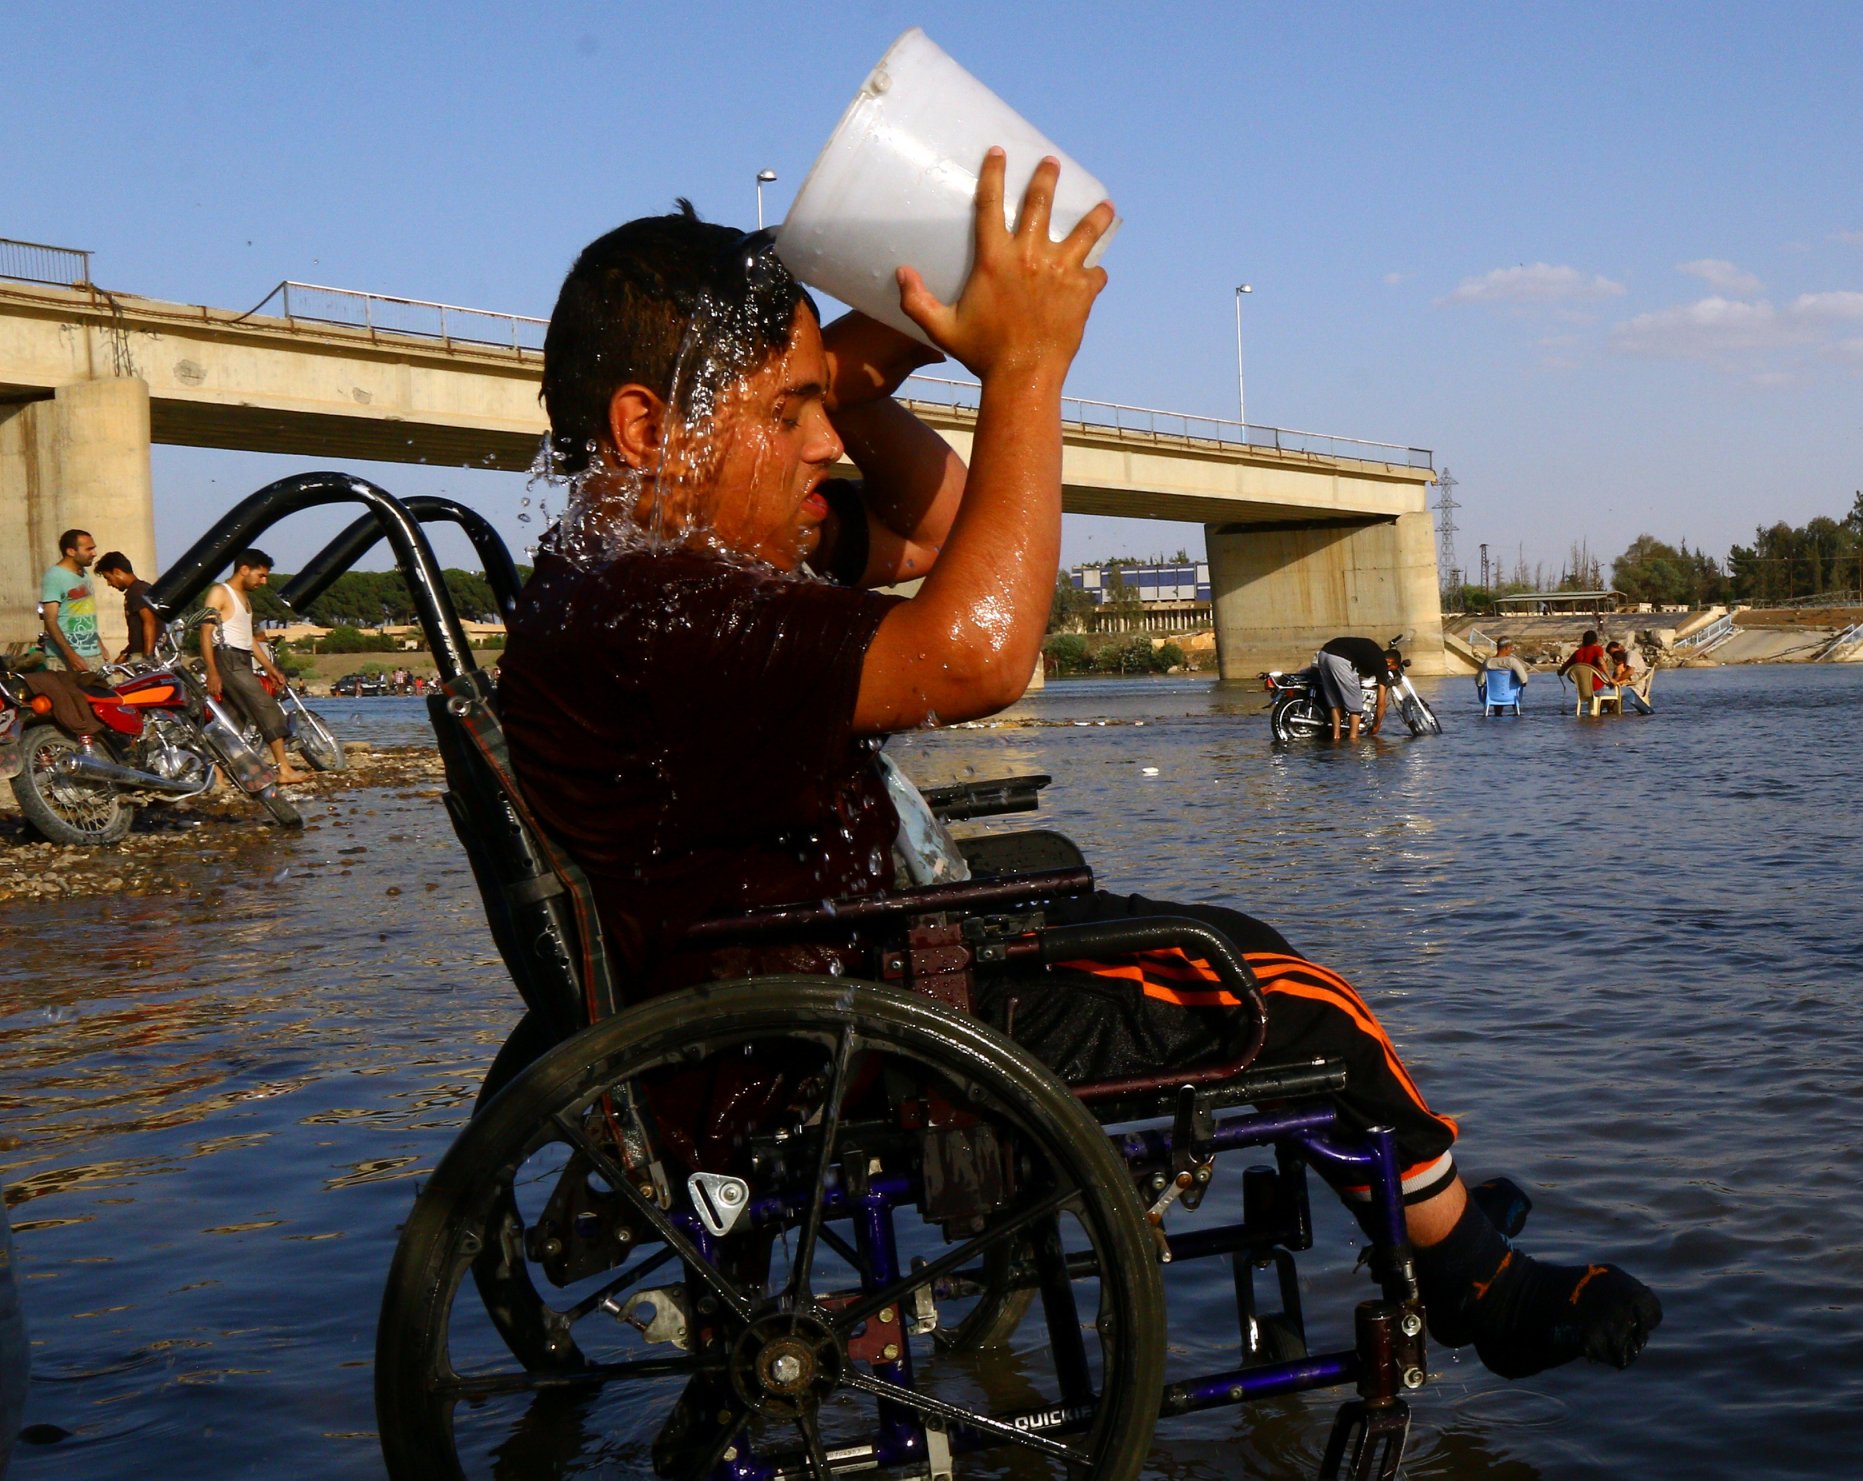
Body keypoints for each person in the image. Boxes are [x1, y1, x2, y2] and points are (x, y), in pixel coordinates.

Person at [498, 161, 1659, 1385]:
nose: (825, 444)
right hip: (851, 1036)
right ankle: (1472, 1273)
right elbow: (982, 648)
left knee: (1220, 942)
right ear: (644, 428)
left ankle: (1417, 1189)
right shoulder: (669, 609)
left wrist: (861, 358)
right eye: (787, 413)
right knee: (1289, 991)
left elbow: (941, 530)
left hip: (826, 981)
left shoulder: (634, 572)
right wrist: (1024, 368)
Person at [198, 549, 308, 785]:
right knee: (265, 706)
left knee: (232, 719)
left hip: (241, 658)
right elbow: (205, 633)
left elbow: (249, 640)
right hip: (227, 659)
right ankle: (284, 769)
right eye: (261, 576)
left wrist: (270, 668)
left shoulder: (244, 598)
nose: (264, 582)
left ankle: (216, 775)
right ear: (244, 569)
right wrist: (212, 671)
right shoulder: (220, 592)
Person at [39, 529, 103, 672]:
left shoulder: (83, 574)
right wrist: (71, 655)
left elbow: (84, 612)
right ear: (71, 551)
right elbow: (50, 620)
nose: (94, 553)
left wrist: (100, 645)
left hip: (93, 654)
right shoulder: (55, 576)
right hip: (66, 659)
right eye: (89, 549)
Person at [1316, 634, 1396, 740]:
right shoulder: (1382, 664)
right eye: (1393, 668)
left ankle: (1336, 737)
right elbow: (1381, 703)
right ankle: (1353, 739)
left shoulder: (1373, 652)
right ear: (1390, 662)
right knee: (1356, 706)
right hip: (1340, 659)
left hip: (1323, 653)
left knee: (1335, 703)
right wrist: (1377, 726)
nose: (1390, 670)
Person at [92, 552, 159, 663]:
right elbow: (139, 630)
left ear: (117, 572)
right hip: (139, 653)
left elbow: (150, 622)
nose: (109, 583)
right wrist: (125, 653)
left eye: (108, 578)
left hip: (143, 655)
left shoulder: (137, 591)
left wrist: (147, 657)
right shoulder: (139, 589)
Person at [1480, 636, 1531, 703]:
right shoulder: (1512, 661)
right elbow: (1524, 679)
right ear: (1506, 648)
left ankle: (1497, 712)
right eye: (1511, 648)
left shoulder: (1488, 662)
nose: (1512, 650)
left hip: (1491, 696)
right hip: (1511, 696)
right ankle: (1515, 709)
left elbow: (1479, 682)